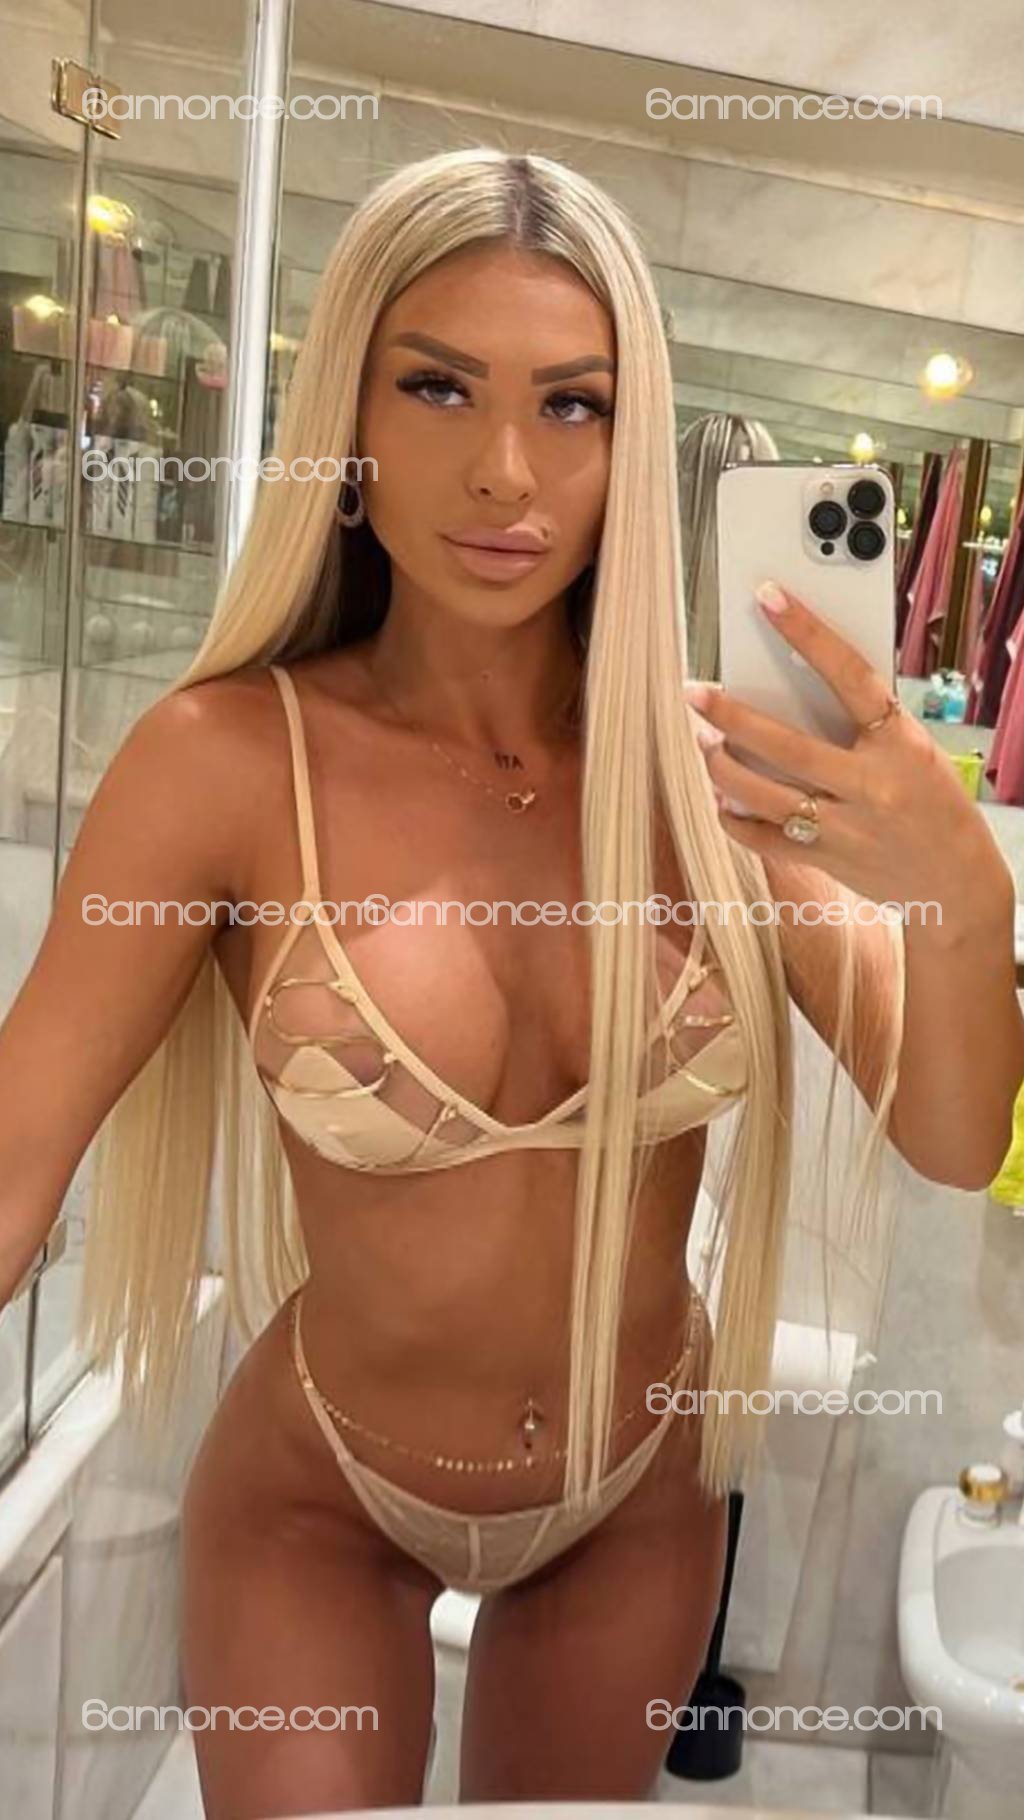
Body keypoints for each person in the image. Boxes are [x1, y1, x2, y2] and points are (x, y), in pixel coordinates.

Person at [1, 149, 1020, 1815]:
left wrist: (959, 894)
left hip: (637, 1500)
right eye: (437, 386)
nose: (504, 469)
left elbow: (955, 1140)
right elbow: (12, 1170)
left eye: (573, 405)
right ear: (349, 418)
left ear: (632, 442)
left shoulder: (712, 777)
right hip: (322, 1500)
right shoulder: (228, 762)